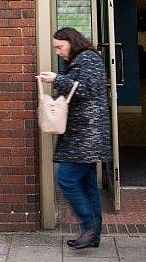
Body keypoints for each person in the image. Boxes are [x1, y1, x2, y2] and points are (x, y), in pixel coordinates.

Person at [38, 27, 111, 250]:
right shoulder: (83, 59)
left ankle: (89, 226)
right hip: (85, 135)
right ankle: (93, 233)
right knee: (88, 183)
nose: (58, 52)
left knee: (67, 179)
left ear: (71, 41)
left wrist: (57, 79)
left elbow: (86, 89)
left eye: (60, 47)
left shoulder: (88, 58)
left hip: (86, 136)